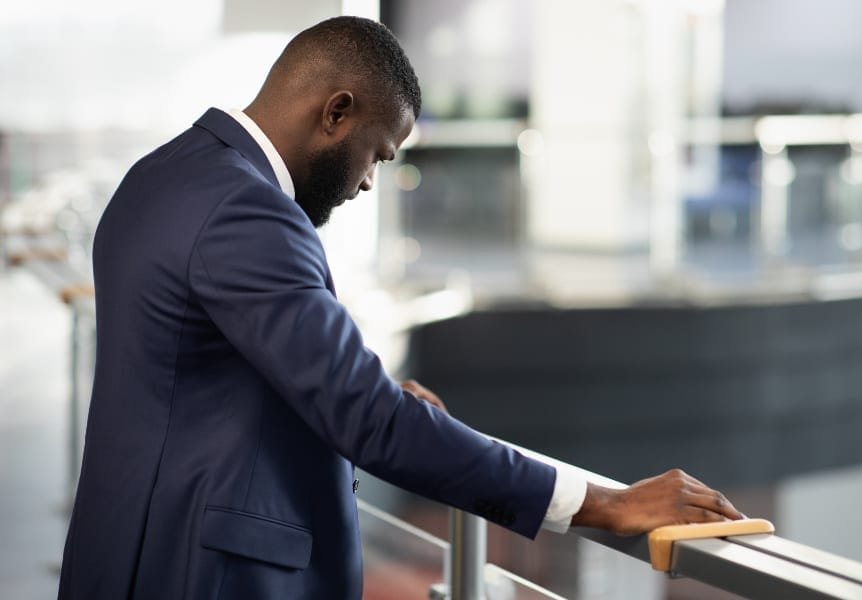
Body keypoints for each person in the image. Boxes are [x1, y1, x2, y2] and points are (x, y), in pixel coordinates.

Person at [58, 16, 742, 600]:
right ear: (336, 112)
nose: (365, 184)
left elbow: (203, 373)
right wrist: (603, 502)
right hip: (203, 574)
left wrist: (373, 397)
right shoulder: (249, 213)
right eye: (376, 155)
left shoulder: (164, 173)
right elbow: (369, 419)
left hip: (128, 550)